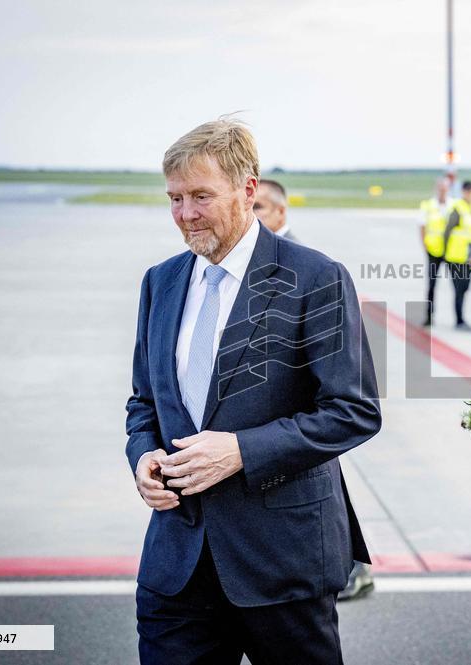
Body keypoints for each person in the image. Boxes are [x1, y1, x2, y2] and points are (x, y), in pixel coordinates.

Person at [126, 117, 382, 664]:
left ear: (247, 189)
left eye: (201, 196)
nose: (185, 214)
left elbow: (353, 411)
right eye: (174, 198)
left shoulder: (316, 277)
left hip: (283, 564)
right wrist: (143, 455)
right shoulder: (160, 281)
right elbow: (144, 403)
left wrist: (241, 451)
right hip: (178, 565)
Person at [255, 174, 375, 602]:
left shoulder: (309, 268)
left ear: (280, 212)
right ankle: (352, 567)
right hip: (286, 427)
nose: (251, 218)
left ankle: (352, 568)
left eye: (259, 209)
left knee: (322, 493)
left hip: (305, 415)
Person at [442, 180, 471, 331]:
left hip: (468, 259)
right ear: (463, 192)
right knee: (459, 290)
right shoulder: (457, 208)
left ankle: (461, 319)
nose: (470, 194)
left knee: (465, 288)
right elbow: (447, 231)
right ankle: (459, 321)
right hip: (456, 257)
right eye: (468, 192)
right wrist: (445, 254)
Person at [420, 177, 453, 326]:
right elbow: (422, 226)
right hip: (433, 251)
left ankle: (458, 318)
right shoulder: (428, 205)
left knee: (457, 284)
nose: (442, 190)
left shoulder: (454, 205)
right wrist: (425, 246)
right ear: (436, 188)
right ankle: (429, 315)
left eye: (445, 187)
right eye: (440, 187)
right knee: (432, 285)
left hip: (451, 251)